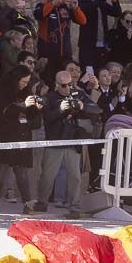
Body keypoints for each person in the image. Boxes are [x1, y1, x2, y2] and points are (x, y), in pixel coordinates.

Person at [36, 70, 98, 217]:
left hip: (73, 141)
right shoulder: (50, 97)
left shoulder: (78, 94)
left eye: (70, 84)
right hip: (55, 142)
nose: (67, 88)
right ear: (56, 85)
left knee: (75, 177)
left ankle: (75, 207)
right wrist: (60, 109)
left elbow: (96, 109)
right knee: (47, 176)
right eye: (63, 85)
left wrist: (82, 106)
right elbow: (47, 118)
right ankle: (42, 202)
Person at [0, 67, 44, 214]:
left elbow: (34, 122)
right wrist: (22, 105)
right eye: (23, 81)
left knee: (22, 173)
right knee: (0, 170)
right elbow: (2, 113)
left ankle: (28, 204)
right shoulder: (1, 90)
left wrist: (36, 109)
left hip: (22, 136)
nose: (25, 85)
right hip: (4, 136)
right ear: (15, 79)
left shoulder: (26, 92)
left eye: (27, 82)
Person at [34, 0, 86, 66]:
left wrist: (76, 9)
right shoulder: (41, 5)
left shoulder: (65, 6)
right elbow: (39, 15)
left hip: (65, 52)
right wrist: (52, 3)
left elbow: (82, 21)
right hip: (48, 51)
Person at [77, 0, 123, 69]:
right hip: (88, 48)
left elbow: (117, 13)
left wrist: (115, 1)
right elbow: (89, 8)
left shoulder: (101, 3)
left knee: (101, 73)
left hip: (102, 47)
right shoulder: (82, 1)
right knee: (88, 74)